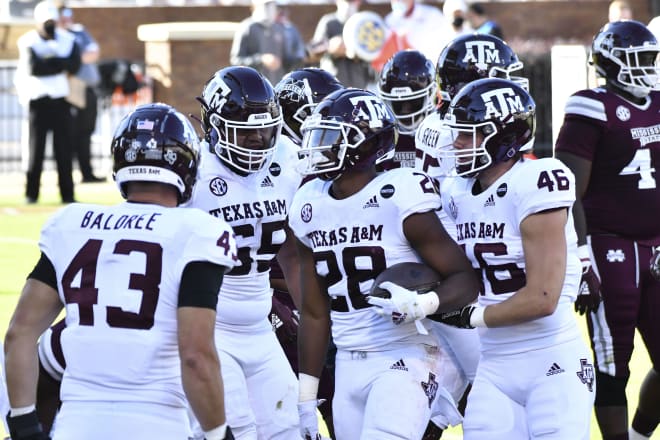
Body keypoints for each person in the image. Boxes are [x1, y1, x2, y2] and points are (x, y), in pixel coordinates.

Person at [3, 102, 238, 440]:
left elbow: (19, 334)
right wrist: (218, 435)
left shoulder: (72, 224)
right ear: (188, 166)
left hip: (76, 426)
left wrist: (24, 425)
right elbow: (196, 356)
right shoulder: (197, 232)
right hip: (156, 425)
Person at [289, 87, 479, 439]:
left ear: (365, 144)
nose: (319, 144)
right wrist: (305, 398)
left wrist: (424, 304)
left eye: (332, 136)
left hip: (405, 352)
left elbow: (465, 278)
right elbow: (315, 312)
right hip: (347, 359)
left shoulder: (398, 194)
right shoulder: (308, 203)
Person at [432, 77, 595, 439]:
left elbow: (542, 298)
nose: (457, 143)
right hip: (494, 366)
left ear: (503, 138)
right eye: (457, 132)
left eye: (469, 134)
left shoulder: (537, 179)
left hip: (551, 361)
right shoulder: (457, 190)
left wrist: (471, 316)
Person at [554, 20, 660, 440]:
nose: (649, 67)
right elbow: (568, 192)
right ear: (613, 63)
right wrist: (580, 257)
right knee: (614, 363)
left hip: (655, 245)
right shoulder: (590, 106)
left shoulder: (658, 102)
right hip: (608, 244)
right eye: (642, 59)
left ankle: (637, 435)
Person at [188, 65, 303, 439]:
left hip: (259, 325)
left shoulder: (287, 157)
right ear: (216, 127)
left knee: (287, 428)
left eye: (265, 130)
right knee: (234, 431)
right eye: (245, 132)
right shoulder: (193, 173)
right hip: (209, 328)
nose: (257, 140)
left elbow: (298, 251)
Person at [14, 1, 81, 204]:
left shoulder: (69, 39)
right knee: (36, 151)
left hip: (60, 102)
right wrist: (59, 64)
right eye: (46, 22)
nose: (49, 25)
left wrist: (51, 62)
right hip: (38, 103)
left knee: (64, 150)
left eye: (52, 21)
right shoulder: (28, 41)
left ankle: (67, 195)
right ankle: (31, 194)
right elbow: (34, 68)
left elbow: (74, 65)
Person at [56, 3, 105, 183]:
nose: (67, 19)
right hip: (73, 86)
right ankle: (78, 172)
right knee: (74, 132)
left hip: (88, 87)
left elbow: (94, 53)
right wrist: (78, 57)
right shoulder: (58, 36)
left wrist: (78, 57)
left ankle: (87, 172)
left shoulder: (79, 31)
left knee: (86, 131)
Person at [376, 49, 436, 169]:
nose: (405, 110)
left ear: (430, 94)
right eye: (398, 103)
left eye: (413, 102)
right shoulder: (380, 140)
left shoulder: (441, 132)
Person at [230, 0, 304, 86]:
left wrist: (301, 56)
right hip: (254, 88)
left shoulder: (279, 28)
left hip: (277, 87)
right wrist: (261, 60)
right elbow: (236, 61)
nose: (270, 9)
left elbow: (287, 61)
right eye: (267, 5)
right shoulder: (247, 27)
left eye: (273, 5)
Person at [307, 0, 373, 89]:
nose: (349, 5)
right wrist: (330, 46)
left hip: (359, 83)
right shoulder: (329, 22)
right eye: (346, 1)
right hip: (333, 83)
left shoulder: (364, 24)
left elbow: (375, 53)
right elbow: (311, 51)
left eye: (352, 2)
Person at [384, 0, 452, 69]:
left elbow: (446, 46)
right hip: (402, 73)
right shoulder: (389, 20)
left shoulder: (433, 15)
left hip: (429, 71)